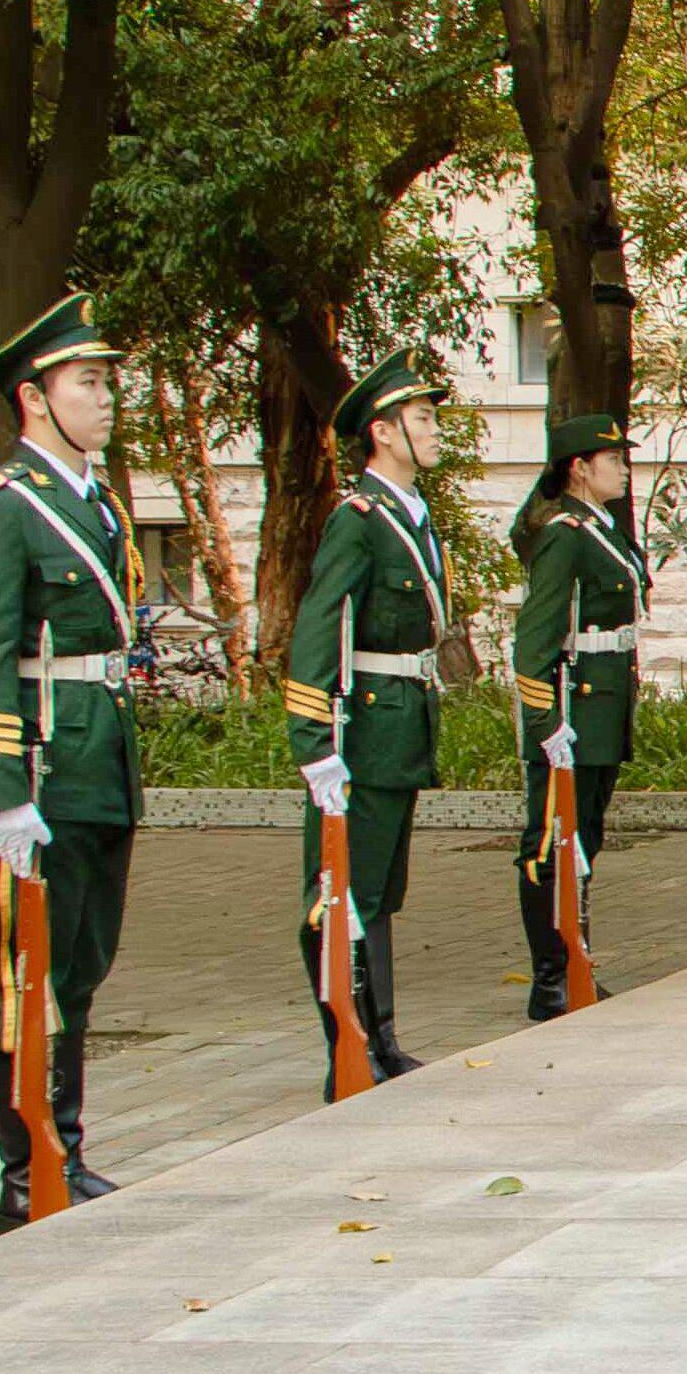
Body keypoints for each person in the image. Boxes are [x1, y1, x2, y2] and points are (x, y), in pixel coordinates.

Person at [0, 294, 141, 1228]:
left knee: (80, 965)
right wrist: (0, 795)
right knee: (22, 972)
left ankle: (66, 1145)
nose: (105, 399)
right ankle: (24, 1175)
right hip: (37, 770)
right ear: (33, 397)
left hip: (98, 760)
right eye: (86, 383)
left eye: (107, 383)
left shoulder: (96, 504)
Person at [287, 351, 451, 1088]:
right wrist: (315, 745)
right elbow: (318, 633)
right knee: (340, 893)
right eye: (422, 418)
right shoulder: (358, 522)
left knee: (378, 891)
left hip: (399, 724)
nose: (436, 431)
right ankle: (347, 1048)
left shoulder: (412, 517)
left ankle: (379, 1039)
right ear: (383, 432)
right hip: (363, 729)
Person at [511, 412, 646, 1019]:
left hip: (602, 709)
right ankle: (551, 981)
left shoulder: (601, 529)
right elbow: (534, 642)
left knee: (583, 838)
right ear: (579, 469)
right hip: (571, 707)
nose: (623, 468)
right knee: (549, 843)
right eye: (613, 459)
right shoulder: (565, 534)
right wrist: (545, 724)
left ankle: (576, 963)